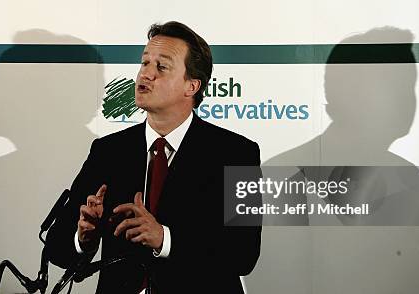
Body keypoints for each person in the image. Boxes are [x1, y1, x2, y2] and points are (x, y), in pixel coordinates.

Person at [46, 21, 261, 293]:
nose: (145, 75)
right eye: (144, 63)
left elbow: (244, 254)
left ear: (191, 86)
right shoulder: (108, 151)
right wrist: (83, 238)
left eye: (161, 67)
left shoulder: (238, 153)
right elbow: (57, 248)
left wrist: (164, 239)